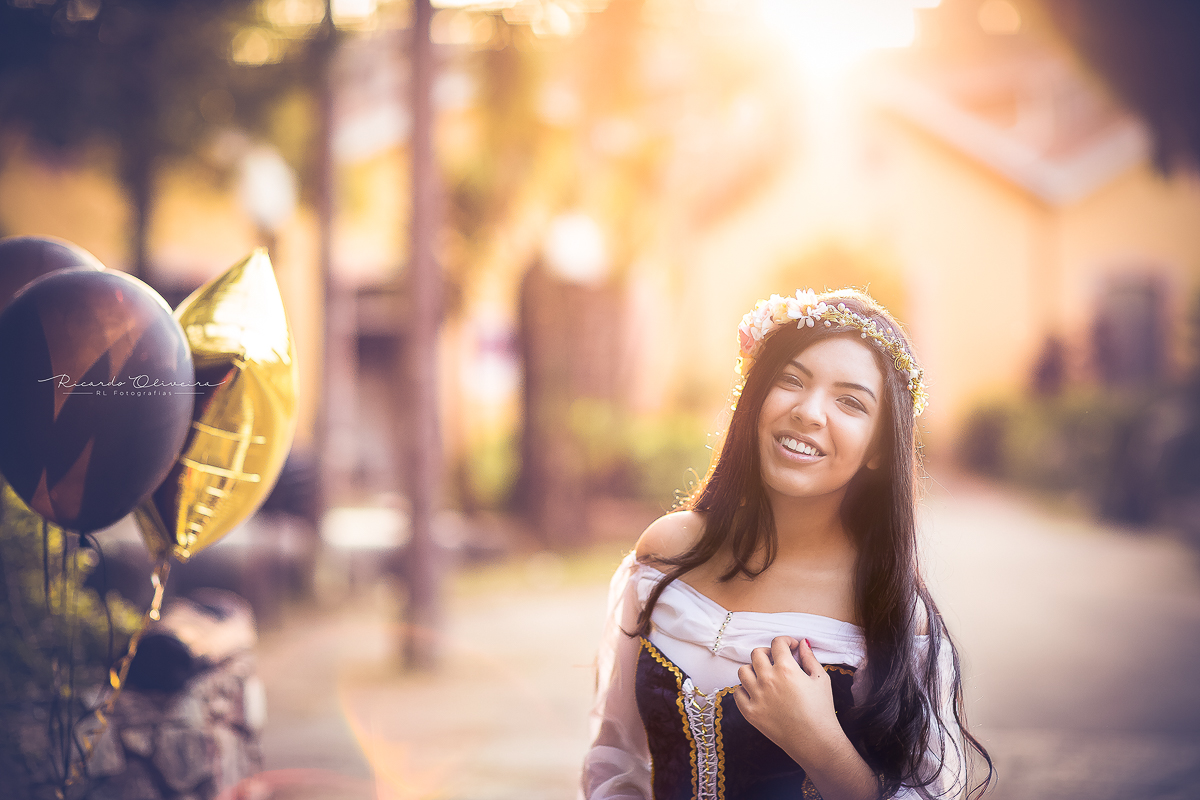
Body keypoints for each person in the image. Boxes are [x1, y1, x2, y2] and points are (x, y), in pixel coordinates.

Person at [580, 289, 993, 800]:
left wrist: (819, 743)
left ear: (879, 448)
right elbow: (615, 756)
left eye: (850, 402)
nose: (809, 411)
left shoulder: (890, 611)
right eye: (791, 380)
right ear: (755, 401)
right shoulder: (667, 551)